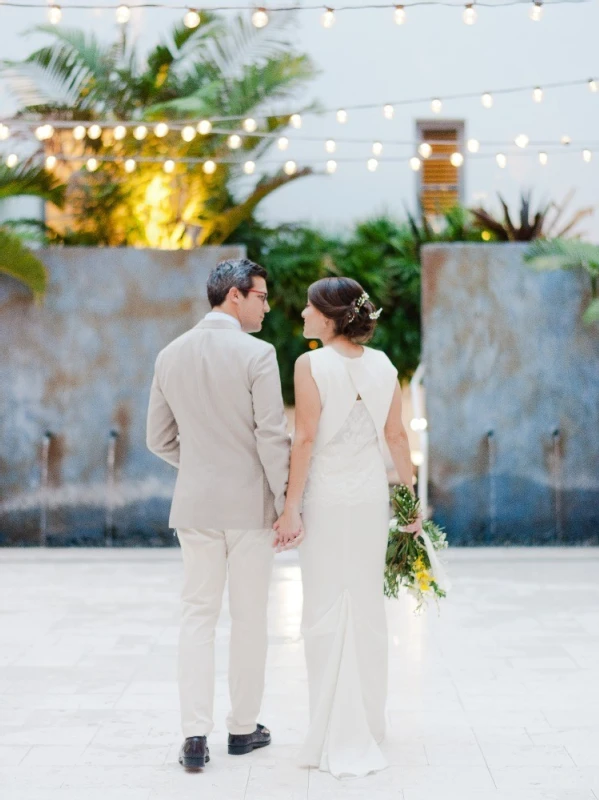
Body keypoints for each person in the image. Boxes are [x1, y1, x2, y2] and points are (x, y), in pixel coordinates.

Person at [146, 258, 298, 770]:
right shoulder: (258, 354)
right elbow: (272, 436)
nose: (267, 305)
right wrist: (286, 504)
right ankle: (241, 728)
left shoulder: (170, 354)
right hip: (249, 507)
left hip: (194, 504)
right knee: (249, 618)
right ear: (234, 295)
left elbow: (157, 439)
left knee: (197, 617)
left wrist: (199, 467)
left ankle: (193, 736)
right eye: (261, 295)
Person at [274, 277, 422, 779]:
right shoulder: (382, 365)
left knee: (322, 605)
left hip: (328, 498)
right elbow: (396, 436)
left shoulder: (310, 364)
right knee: (365, 604)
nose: (302, 314)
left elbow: (306, 439)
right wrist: (410, 498)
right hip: (367, 500)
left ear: (332, 316)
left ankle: (333, 722)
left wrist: (291, 507)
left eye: (310, 308)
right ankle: (370, 722)